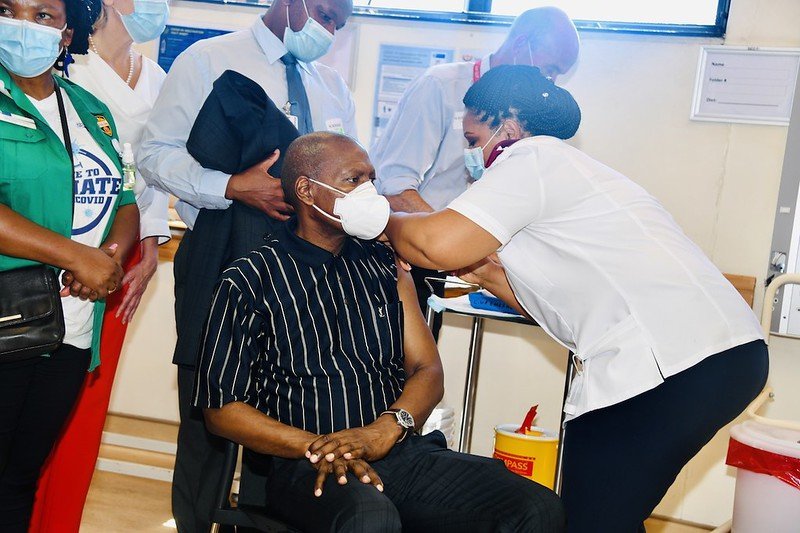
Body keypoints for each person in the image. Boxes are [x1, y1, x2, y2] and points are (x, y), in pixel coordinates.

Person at [383, 65, 769, 533]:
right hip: (717, 355)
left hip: (673, 361)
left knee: (593, 517)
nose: (470, 156)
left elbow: (434, 244)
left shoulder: (532, 159)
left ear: (507, 126)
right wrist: (483, 273)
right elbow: (544, 303)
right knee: (605, 514)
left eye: (471, 139)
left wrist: (378, 216)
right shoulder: (570, 173)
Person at [194, 131, 566, 533]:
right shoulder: (249, 279)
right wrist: (322, 447)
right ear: (306, 190)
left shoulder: (386, 265)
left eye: (371, 180)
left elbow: (427, 369)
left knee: (536, 508)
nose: (368, 192)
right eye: (353, 180)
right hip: (306, 463)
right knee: (371, 518)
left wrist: (385, 430)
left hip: (398, 451)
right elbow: (221, 409)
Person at [137, 1, 356, 530]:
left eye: (338, 24)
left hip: (304, 272)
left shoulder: (331, 86)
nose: (328, 30)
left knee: (286, 411)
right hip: (222, 254)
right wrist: (231, 186)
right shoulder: (208, 59)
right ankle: (194, 523)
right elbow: (154, 153)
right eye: (324, 14)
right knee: (208, 412)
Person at [28, 0, 171, 530]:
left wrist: (149, 242)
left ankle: (59, 518)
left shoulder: (156, 75)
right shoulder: (64, 63)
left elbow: (146, 170)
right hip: (56, 243)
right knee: (32, 391)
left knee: (87, 393)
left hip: (122, 246)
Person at [0, 0, 139, 529]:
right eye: (7, 9)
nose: (21, 25)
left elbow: (125, 196)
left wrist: (108, 261)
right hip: (8, 318)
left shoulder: (90, 109)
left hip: (72, 325)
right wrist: (77, 257)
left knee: (20, 478)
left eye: (42, 15)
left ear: (65, 33)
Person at [371, 6, 579, 336]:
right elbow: (395, 186)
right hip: (407, 254)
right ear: (521, 43)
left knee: (429, 354)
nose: (550, 81)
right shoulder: (441, 86)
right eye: (550, 68)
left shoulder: (526, 113)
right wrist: (452, 240)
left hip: (459, 255)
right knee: (393, 358)